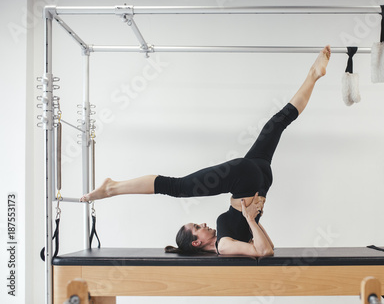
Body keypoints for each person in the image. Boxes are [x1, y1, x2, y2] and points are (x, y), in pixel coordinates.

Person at [81, 45, 331, 257]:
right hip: (247, 179)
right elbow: (265, 251)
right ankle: (112, 188)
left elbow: (264, 247)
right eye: (196, 227)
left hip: (259, 178)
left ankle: (313, 75)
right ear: (197, 242)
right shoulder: (223, 244)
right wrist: (252, 220)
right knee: (176, 187)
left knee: (277, 123)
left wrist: (252, 220)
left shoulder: (225, 233)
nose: (202, 223)